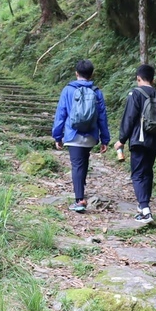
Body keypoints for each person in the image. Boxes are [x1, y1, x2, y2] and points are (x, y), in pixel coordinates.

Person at [52, 59, 110, 213]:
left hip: (73, 134)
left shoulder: (68, 90)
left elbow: (61, 114)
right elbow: (102, 117)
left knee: (77, 165)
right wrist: (105, 139)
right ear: (91, 74)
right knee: (83, 162)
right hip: (90, 135)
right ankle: (81, 192)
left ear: (76, 73)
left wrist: (57, 136)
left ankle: (80, 200)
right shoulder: (97, 92)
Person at [114, 64, 156, 223]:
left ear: (138, 78)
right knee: (147, 172)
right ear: (153, 79)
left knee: (137, 174)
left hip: (139, 140)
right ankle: (143, 205)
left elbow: (129, 119)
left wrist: (121, 140)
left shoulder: (136, 94)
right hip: (155, 140)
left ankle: (145, 210)